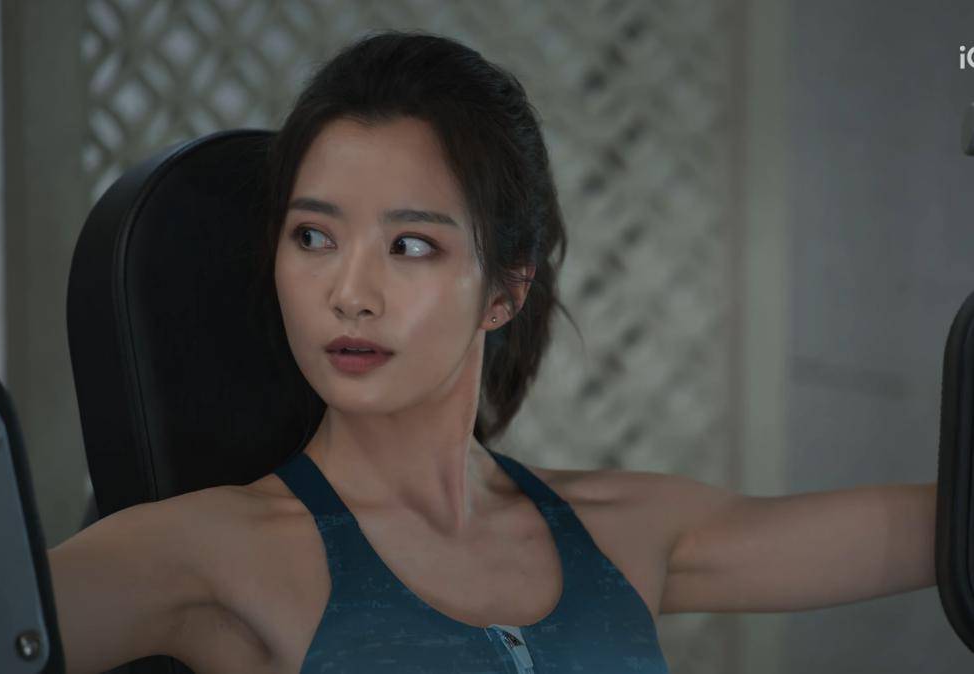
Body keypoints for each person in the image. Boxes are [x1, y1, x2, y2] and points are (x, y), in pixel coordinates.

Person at [47, 30, 937, 674]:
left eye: (410, 246)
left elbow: (940, 528)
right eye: (312, 237)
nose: (349, 293)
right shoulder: (208, 555)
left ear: (505, 292)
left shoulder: (624, 531)